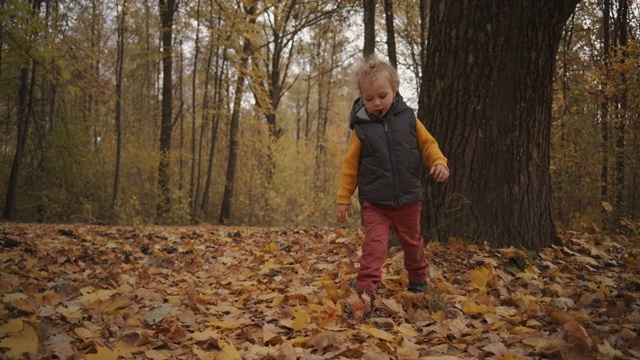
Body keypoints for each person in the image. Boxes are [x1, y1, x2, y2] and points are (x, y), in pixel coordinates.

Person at [336, 55, 449, 299]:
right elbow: (350, 165)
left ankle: (418, 281)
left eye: (382, 96)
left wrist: (439, 162)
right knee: (374, 247)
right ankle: (365, 292)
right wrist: (344, 198)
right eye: (369, 99)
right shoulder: (361, 129)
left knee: (412, 243)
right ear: (362, 98)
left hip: (408, 199)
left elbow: (428, 145)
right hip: (376, 203)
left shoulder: (409, 118)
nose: (376, 103)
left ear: (395, 89)